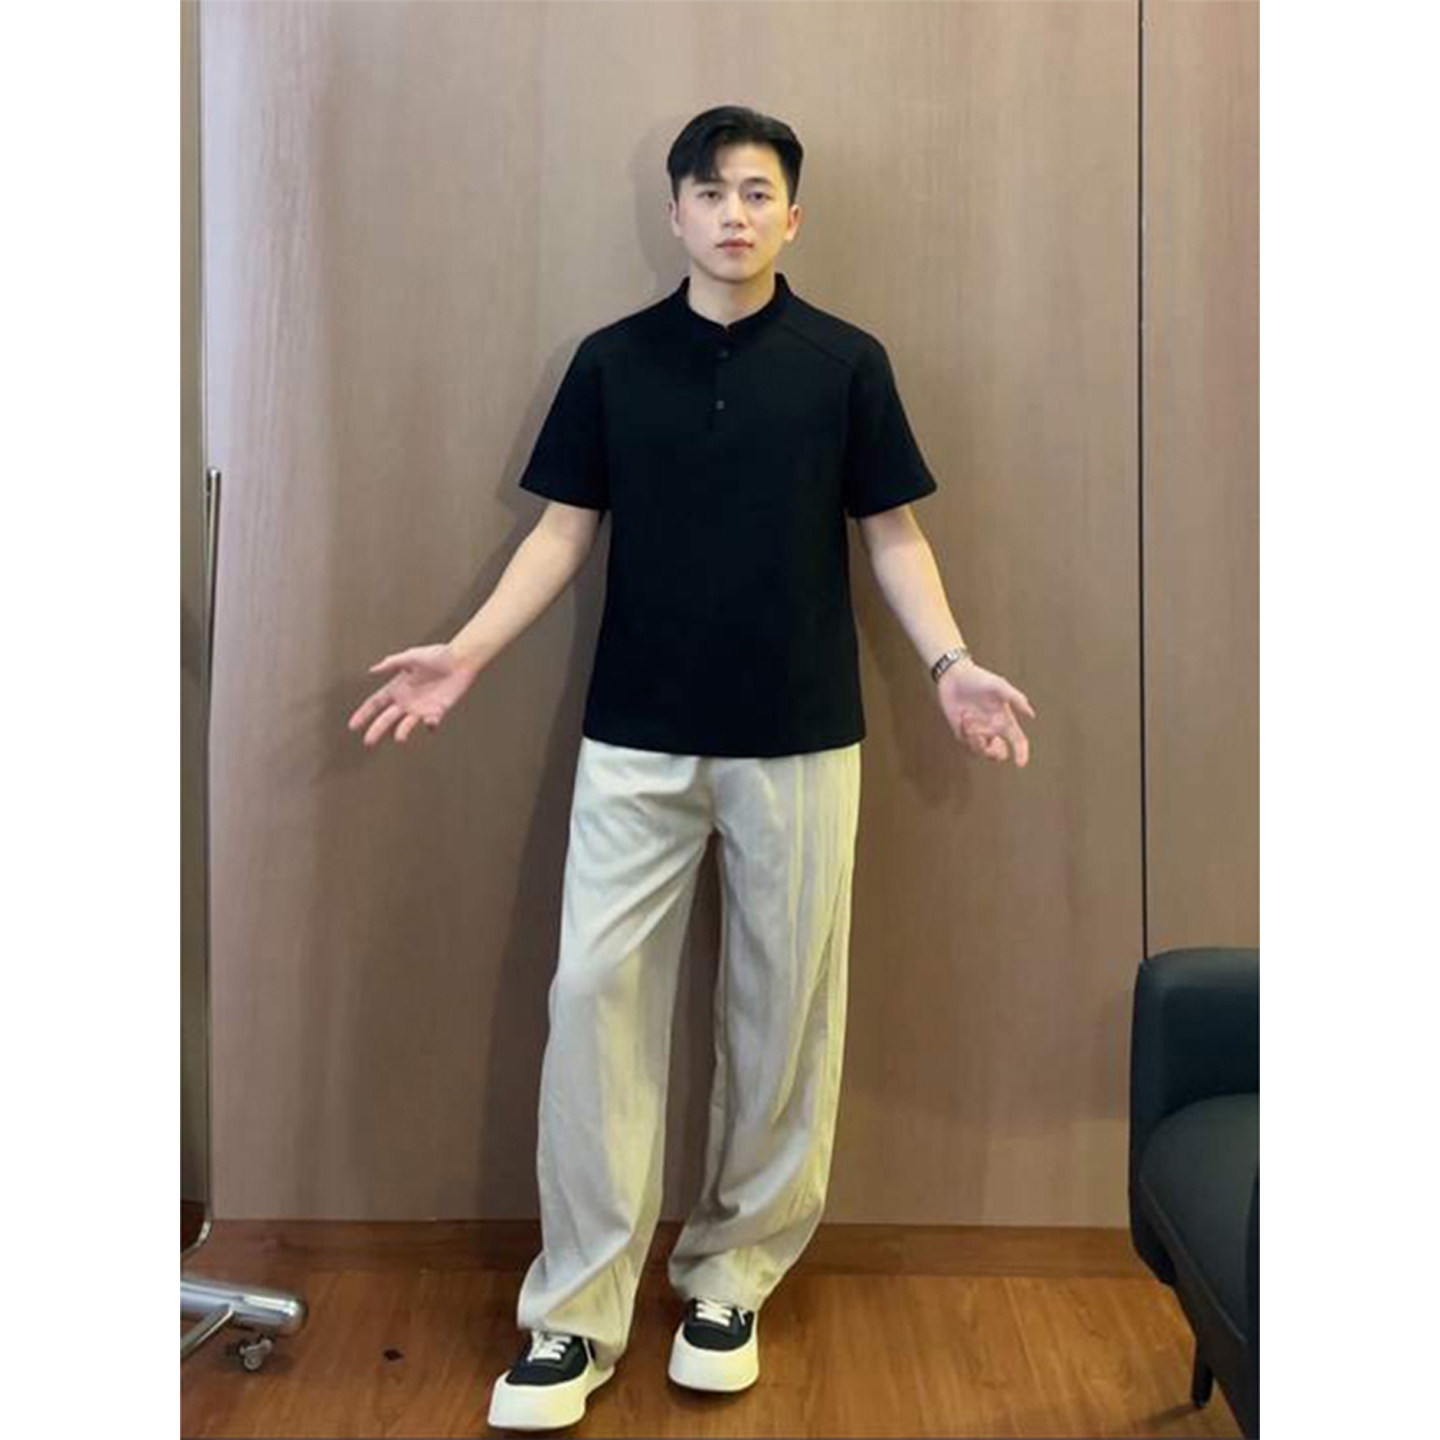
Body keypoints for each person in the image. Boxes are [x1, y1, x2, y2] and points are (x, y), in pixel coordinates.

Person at [347, 105, 1036, 1433]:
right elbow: (563, 533)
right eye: (710, 191)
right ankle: (575, 1311)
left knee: (784, 1015)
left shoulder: (846, 363)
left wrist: (949, 664)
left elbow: (892, 535)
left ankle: (731, 1277)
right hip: (636, 738)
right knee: (594, 1000)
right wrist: (466, 654)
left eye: (757, 191)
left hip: (803, 737)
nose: (733, 212)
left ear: (793, 217)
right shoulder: (612, 362)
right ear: (674, 213)